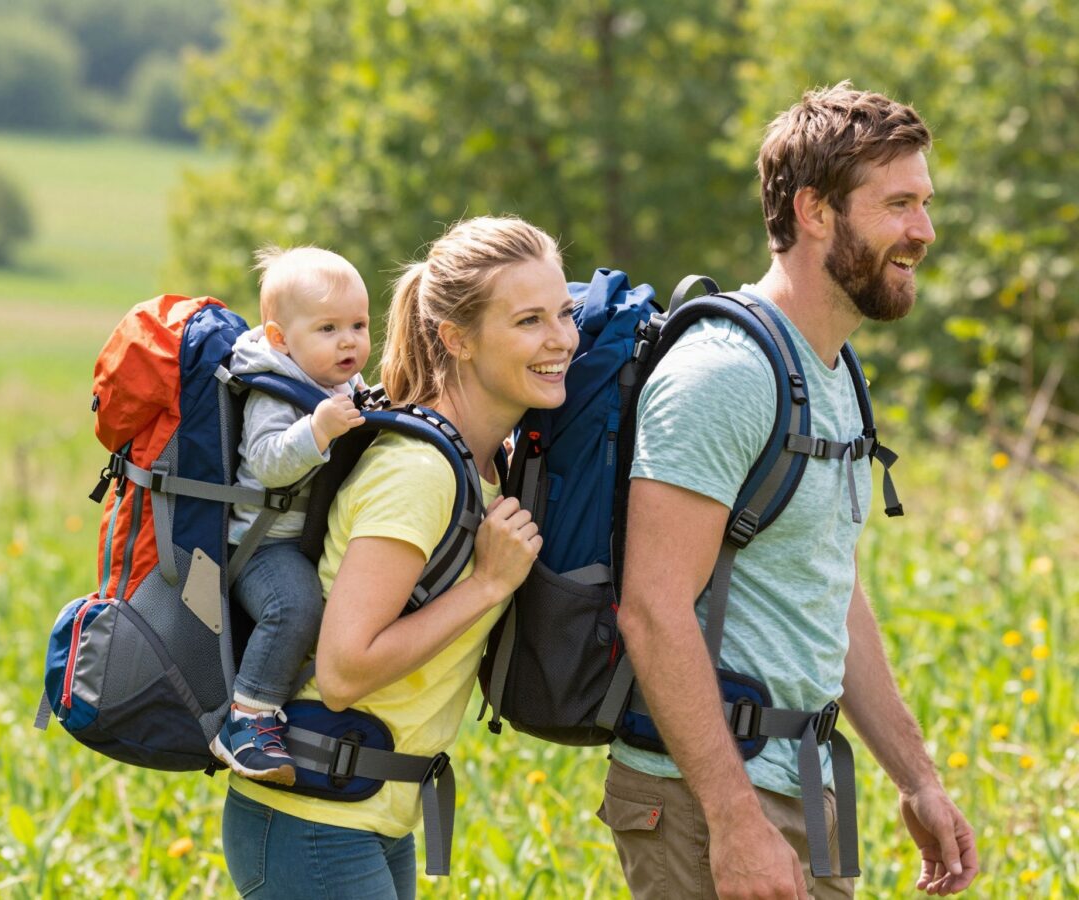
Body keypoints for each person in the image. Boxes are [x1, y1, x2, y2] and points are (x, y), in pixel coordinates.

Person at [602, 83, 979, 898]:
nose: (924, 231)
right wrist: (735, 818)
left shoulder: (834, 370)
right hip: (706, 800)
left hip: (803, 790)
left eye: (925, 203)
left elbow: (826, 587)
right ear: (814, 211)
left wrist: (916, 778)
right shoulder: (725, 374)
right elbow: (653, 608)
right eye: (900, 204)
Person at [221, 216, 580, 898]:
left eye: (564, 312)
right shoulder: (418, 472)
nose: (560, 338)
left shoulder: (488, 467)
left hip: (367, 811)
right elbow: (344, 670)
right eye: (529, 320)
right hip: (313, 821)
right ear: (457, 338)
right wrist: (485, 585)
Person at [212, 246, 371, 784]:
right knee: (295, 606)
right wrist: (319, 429)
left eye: (358, 324)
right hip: (259, 546)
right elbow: (268, 463)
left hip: (302, 540)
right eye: (328, 328)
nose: (348, 340)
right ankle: (246, 722)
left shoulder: (334, 381)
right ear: (280, 339)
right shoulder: (272, 390)